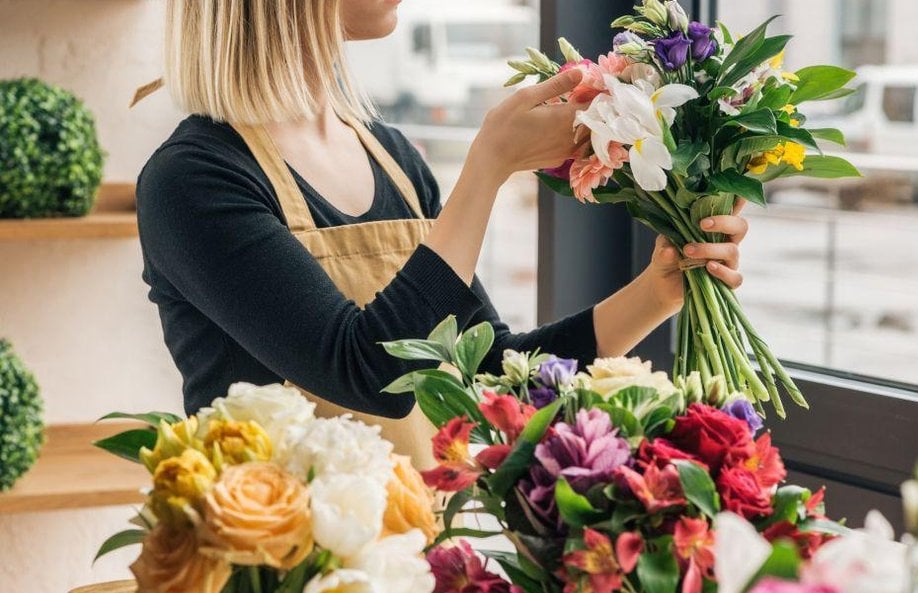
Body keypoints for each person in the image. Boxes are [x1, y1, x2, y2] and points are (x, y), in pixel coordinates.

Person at [136, 0, 749, 466]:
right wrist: (489, 167)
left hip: (413, 557)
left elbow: (488, 378)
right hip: (281, 568)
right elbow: (369, 374)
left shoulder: (394, 159)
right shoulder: (193, 180)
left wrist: (659, 290)